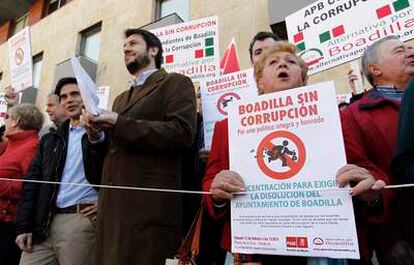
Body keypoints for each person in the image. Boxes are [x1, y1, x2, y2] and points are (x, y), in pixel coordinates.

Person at [84, 28, 197, 265]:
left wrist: (119, 122)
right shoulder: (120, 98)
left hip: (148, 207)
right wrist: (96, 137)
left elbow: (182, 133)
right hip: (113, 207)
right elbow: (117, 144)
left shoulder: (176, 83)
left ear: (154, 50)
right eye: (124, 46)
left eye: (133, 43)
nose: (126, 48)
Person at [202, 41, 311, 264]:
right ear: (260, 81)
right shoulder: (228, 125)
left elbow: (365, 171)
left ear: (302, 77)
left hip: (316, 244)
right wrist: (217, 188)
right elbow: (210, 182)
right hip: (253, 247)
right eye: (273, 62)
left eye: (290, 62)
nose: (283, 64)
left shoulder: (333, 116)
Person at [336, 35, 414, 265]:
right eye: (399, 50)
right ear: (375, 69)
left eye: (410, 48)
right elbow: (365, 175)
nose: (410, 52)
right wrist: (391, 239)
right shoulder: (354, 115)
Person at [15, 77, 106, 265]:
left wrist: (107, 203)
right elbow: (32, 183)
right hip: (44, 224)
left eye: (75, 94)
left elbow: (121, 174)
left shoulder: (107, 133)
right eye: (64, 97)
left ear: (88, 96)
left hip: (81, 223)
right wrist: (24, 226)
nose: (69, 100)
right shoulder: (50, 140)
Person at [0, 104, 43, 265]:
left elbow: (30, 186)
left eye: (6, 117)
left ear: (15, 121)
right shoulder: (11, 144)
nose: (4, 122)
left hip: (9, 227)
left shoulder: (31, 147)